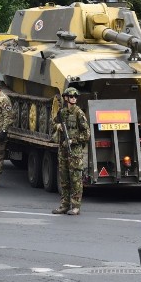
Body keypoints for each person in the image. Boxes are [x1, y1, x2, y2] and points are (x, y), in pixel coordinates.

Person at [52, 87, 90, 215]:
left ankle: (76, 206)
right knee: (64, 179)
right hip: (63, 151)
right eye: (71, 96)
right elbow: (53, 124)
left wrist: (72, 140)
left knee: (75, 180)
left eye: (75, 96)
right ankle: (64, 205)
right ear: (66, 98)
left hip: (74, 152)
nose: (74, 98)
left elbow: (87, 134)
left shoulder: (79, 113)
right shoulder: (62, 113)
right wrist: (58, 126)